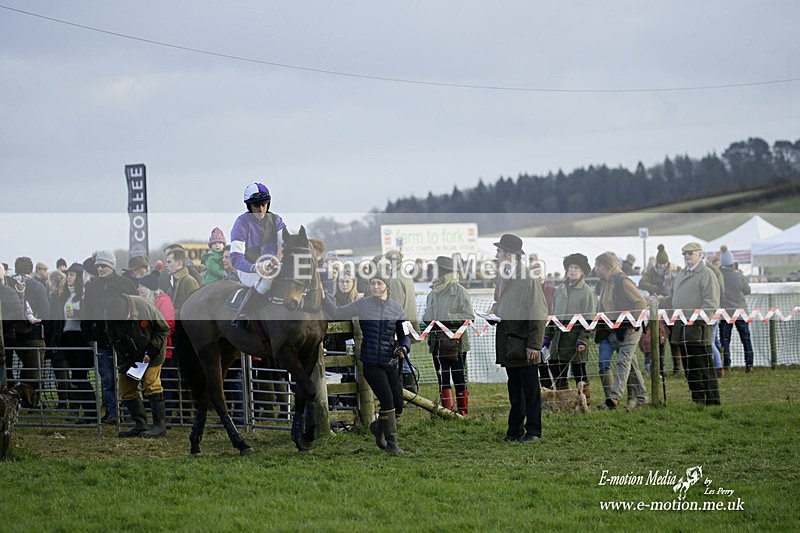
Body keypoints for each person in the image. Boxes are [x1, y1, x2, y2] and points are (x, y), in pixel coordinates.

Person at [321, 270, 411, 456]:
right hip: (371, 363)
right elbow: (337, 312)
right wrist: (323, 296)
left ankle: (378, 426)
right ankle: (392, 444)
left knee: (399, 404)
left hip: (391, 362)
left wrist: (404, 348)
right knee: (387, 402)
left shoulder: (397, 309)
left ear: (386, 285)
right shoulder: (363, 304)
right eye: (373, 284)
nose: (375, 287)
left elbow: (405, 336)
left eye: (379, 283)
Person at [487, 234, 547, 442]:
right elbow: (499, 302)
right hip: (509, 340)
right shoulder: (504, 276)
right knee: (515, 389)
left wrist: (534, 345)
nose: (496, 255)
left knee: (530, 390)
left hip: (524, 342)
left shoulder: (528, 279)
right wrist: (494, 312)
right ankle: (515, 430)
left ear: (510, 255)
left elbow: (538, 313)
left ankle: (533, 431)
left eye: (499, 251)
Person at [658, 242, 721, 405]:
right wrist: (658, 301)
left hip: (698, 327)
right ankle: (698, 400)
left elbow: (711, 303)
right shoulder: (681, 274)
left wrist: (697, 319)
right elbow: (673, 298)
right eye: (684, 253)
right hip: (681, 326)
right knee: (689, 366)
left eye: (690, 253)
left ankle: (712, 402)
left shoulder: (707, 274)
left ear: (700, 255)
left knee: (703, 366)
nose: (686, 256)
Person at [80, 250, 138, 424]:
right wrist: (89, 335)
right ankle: (112, 413)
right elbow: (87, 313)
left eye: (103, 265)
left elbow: (136, 309)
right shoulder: (91, 287)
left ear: (111, 266)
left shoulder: (126, 284)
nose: (100, 269)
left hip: (124, 340)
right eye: (98, 265)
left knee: (127, 377)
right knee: (107, 379)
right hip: (102, 340)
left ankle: (129, 413)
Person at [104, 294, 171, 438]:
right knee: (126, 388)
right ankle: (140, 425)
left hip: (153, 352)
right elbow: (113, 338)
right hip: (129, 356)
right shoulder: (110, 314)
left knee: (151, 384)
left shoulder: (144, 307)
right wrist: (127, 356)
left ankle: (160, 426)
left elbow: (163, 329)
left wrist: (151, 351)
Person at [594, 251, 649, 410]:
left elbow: (641, 302)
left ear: (603, 267)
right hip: (616, 330)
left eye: (597, 266)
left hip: (629, 329)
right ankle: (643, 398)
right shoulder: (607, 282)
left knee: (623, 361)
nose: (595, 270)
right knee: (631, 365)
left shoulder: (622, 281)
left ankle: (615, 396)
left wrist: (633, 325)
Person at [422, 255, 475, 416]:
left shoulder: (460, 291)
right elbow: (426, 316)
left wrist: (447, 319)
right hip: (437, 343)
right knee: (442, 378)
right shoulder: (432, 293)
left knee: (459, 377)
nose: (434, 273)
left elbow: (469, 316)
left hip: (456, 344)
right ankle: (447, 412)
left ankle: (462, 413)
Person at [229, 182, 287, 328]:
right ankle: (243, 314)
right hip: (247, 270)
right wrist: (255, 267)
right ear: (249, 206)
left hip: (271, 268)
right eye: (256, 205)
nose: (261, 209)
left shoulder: (276, 220)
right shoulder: (241, 223)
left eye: (264, 204)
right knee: (266, 280)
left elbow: (287, 243)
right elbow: (235, 258)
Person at [544, 253, 597, 397]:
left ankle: (585, 400)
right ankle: (564, 400)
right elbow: (553, 314)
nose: (572, 270)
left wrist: (583, 339)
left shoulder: (587, 293)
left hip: (575, 339)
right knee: (556, 368)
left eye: (576, 268)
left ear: (582, 271)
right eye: (570, 267)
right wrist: (547, 336)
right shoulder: (560, 290)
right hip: (558, 340)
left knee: (579, 371)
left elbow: (590, 319)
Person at [377, 250, 420, 393]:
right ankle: (408, 392)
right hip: (409, 320)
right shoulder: (405, 274)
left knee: (403, 358)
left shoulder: (394, 278)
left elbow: (394, 304)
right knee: (405, 355)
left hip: (400, 323)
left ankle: (408, 393)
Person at [638, 244, 682, 375]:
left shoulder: (675, 270)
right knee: (659, 340)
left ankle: (677, 368)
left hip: (673, 308)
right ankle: (660, 369)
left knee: (675, 340)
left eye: (664, 264)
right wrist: (656, 289)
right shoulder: (651, 271)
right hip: (657, 309)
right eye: (660, 264)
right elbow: (642, 283)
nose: (662, 266)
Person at [9, 257, 50, 391]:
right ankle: (34, 403)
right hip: (35, 335)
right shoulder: (38, 286)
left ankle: (23, 399)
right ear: (31, 269)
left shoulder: (9, 285)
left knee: (24, 369)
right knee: (35, 372)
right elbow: (46, 312)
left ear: (16, 268)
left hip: (15, 334)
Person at [717, 246, 755, 374]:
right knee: (746, 339)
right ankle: (749, 364)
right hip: (741, 312)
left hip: (725, 312)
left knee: (725, 340)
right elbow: (747, 290)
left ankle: (726, 364)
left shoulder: (718, 275)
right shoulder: (739, 275)